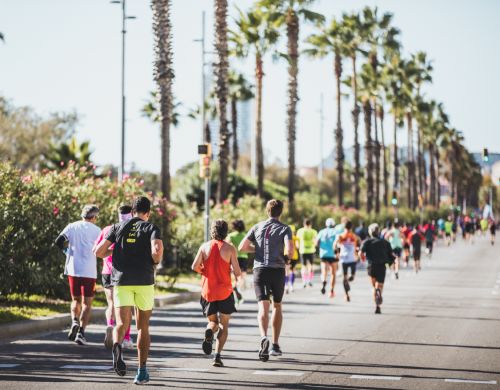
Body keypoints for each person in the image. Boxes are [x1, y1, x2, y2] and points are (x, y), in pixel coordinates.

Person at [94, 196, 163, 384]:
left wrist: (114, 252)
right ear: (147, 213)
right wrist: (154, 259)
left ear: (132, 211)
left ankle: (117, 347)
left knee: (120, 325)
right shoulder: (151, 228)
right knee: (143, 327)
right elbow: (156, 252)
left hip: (121, 281)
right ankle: (141, 371)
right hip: (143, 281)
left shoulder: (117, 227)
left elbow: (99, 251)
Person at [239, 199, 294, 362]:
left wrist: (258, 249)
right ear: (281, 212)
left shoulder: (257, 226)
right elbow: (289, 250)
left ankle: (263, 337)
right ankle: (275, 345)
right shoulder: (285, 228)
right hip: (277, 270)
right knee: (277, 305)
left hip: (260, 270)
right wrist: (287, 259)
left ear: (267, 211)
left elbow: (242, 247)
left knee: (263, 307)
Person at [192, 219, 242, 367]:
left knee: (213, 322)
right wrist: (230, 270)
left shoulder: (204, 246)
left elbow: (194, 266)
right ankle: (217, 356)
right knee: (224, 325)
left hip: (208, 291)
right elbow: (238, 272)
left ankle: (209, 332)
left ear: (212, 231)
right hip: (225, 292)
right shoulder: (230, 248)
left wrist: (204, 271)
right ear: (226, 231)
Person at [55, 205, 101, 346]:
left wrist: (67, 251)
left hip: (73, 269)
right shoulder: (98, 230)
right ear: (93, 217)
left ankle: (74, 320)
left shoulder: (72, 226)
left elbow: (58, 241)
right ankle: (81, 333)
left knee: (75, 300)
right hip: (89, 271)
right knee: (87, 303)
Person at [93, 205, 134, 350]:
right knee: (126, 306)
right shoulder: (132, 230)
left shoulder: (107, 229)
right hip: (123, 272)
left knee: (111, 303)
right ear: (132, 214)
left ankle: (110, 325)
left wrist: (109, 252)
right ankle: (127, 338)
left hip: (107, 271)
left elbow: (95, 250)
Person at [360, 223, 395, 314]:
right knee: (380, 285)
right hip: (382, 266)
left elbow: (361, 253)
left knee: (373, 285)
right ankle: (378, 304)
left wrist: (362, 259)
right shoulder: (385, 242)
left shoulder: (367, 242)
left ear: (370, 232)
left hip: (371, 266)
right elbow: (392, 255)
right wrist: (392, 265)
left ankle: (376, 293)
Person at [334, 220, 361, 302]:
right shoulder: (354, 236)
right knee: (352, 277)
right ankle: (348, 283)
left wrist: (336, 253)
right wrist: (357, 253)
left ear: (344, 227)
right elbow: (359, 246)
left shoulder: (341, 236)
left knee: (344, 277)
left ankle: (346, 294)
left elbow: (334, 245)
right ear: (351, 227)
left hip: (343, 259)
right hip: (352, 259)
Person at [226, 220, 248, 304]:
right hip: (244, 258)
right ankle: (238, 290)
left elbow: (226, 245)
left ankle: (235, 290)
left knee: (234, 277)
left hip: (234, 258)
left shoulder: (231, 236)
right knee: (242, 277)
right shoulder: (245, 236)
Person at [315, 218, 338, 298]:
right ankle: (331, 290)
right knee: (333, 273)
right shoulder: (336, 232)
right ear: (334, 225)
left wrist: (321, 247)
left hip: (323, 254)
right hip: (333, 255)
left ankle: (324, 282)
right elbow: (338, 242)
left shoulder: (322, 231)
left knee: (324, 271)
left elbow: (316, 242)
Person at [296, 219, 317, 288]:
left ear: (304, 224)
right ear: (310, 224)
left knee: (304, 266)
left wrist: (298, 247)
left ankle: (304, 281)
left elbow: (297, 242)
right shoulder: (313, 231)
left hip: (303, 250)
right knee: (311, 266)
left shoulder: (300, 231)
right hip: (311, 250)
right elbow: (315, 241)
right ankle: (310, 280)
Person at [284, 225, 300, 293]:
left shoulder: (285, 237)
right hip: (294, 255)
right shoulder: (296, 238)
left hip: (286, 254)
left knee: (286, 270)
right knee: (292, 270)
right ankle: (291, 285)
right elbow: (297, 246)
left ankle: (286, 285)